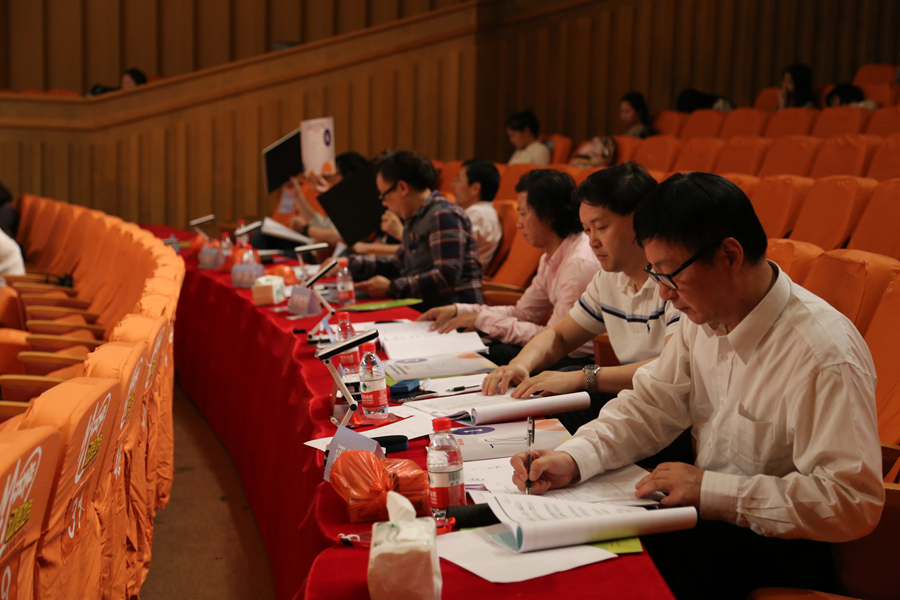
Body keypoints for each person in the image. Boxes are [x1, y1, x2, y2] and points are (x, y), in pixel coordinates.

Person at [510, 172, 884, 599]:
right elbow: (650, 406)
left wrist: (712, 490)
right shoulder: (701, 320)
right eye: (654, 274)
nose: (664, 294)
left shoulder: (822, 354)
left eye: (670, 274)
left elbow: (851, 501)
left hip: (779, 546)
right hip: (707, 521)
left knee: (610, 571)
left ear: (730, 255)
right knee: (581, 552)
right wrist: (573, 458)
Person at [481, 164, 683, 438]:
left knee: (567, 383)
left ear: (640, 221)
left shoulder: (676, 282)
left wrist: (583, 377)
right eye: (587, 230)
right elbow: (559, 336)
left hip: (672, 412)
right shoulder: (608, 278)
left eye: (601, 227)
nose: (592, 242)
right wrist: (521, 364)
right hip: (635, 399)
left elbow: (671, 366)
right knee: (544, 387)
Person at [418, 169, 598, 367]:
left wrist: (484, 320)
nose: (519, 224)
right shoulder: (552, 255)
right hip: (561, 349)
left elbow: (558, 340)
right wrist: (458, 310)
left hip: (582, 362)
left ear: (548, 216)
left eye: (523, 213)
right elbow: (524, 313)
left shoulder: (577, 264)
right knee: (483, 347)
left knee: (492, 353)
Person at [349, 150, 482, 310]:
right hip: (426, 309)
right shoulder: (415, 218)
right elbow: (397, 264)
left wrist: (392, 287)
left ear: (402, 188)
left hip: (455, 315)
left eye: (384, 195)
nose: (384, 203)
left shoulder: (443, 214)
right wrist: (348, 264)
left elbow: (446, 276)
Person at [449, 159, 502, 271]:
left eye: (458, 180)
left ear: (475, 188)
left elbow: (451, 252)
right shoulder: (483, 212)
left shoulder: (478, 215)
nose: (453, 185)